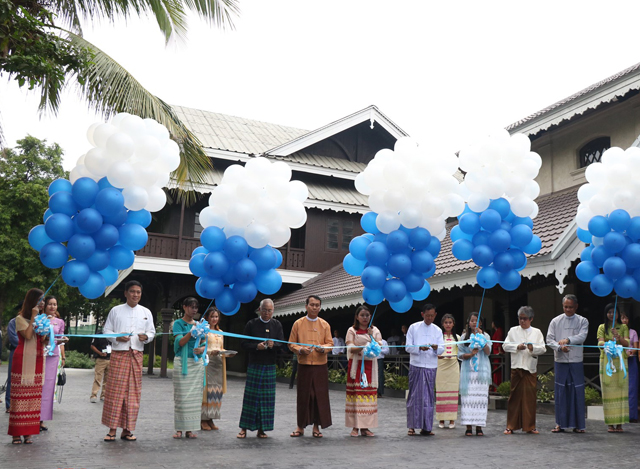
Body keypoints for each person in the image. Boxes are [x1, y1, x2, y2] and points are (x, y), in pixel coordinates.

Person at [101, 280, 155, 442]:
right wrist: (117, 337)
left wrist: (146, 337)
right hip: (120, 354)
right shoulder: (116, 311)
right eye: (132, 291)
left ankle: (127, 429)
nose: (135, 295)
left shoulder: (146, 312)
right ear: (125, 293)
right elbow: (106, 331)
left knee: (133, 394)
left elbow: (151, 332)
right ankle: (111, 430)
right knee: (115, 393)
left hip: (136, 355)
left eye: (138, 292)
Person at [238, 299, 284, 439]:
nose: (266, 313)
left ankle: (262, 429)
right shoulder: (251, 324)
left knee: (266, 400)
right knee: (251, 397)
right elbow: (243, 343)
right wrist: (256, 347)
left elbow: (282, 345)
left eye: (269, 311)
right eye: (264, 310)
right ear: (260, 309)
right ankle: (244, 428)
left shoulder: (277, 324)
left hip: (269, 364)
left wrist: (273, 345)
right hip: (255, 364)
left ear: (273, 311)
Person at [288, 295, 333, 438]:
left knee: (319, 396)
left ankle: (316, 426)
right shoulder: (298, 324)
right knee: (303, 396)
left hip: (320, 365)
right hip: (304, 364)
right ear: (306, 306)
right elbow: (291, 343)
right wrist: (301, 350)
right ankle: (300, 426)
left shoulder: (325, 324)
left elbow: (330, 344)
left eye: (317, 305)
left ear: (320, 307)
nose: (315, 307)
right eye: (312, 305)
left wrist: (322, 349)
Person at [546, 294, 588, 434]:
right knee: (560, 392)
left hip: (576, 360)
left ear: (576, 306)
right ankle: (560, 424)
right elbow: (549, 339)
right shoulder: (555, 321)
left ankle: (579, 425)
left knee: (577, 392)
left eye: (571, 307)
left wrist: (568, 340)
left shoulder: (582, 320)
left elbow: (582, 336)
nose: (568, 309)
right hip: (561, 360)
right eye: (566, 307)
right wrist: (559, 347)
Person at [8, 288, 46, 445]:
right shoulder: (20, 319)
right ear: (32, 302)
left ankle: (28, 432)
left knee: (33, 398)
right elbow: (28, 335)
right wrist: (33, 318)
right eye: (40, 300)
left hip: (37, 359)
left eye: (43, 300)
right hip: (22, 360)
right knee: (19, 398)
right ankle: (17, 433)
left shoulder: (41, 318)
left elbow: (40, 339)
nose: (42, 303)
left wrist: (50, 336)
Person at [503, 306, 546, 435]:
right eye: (520, 318)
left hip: (530, 368)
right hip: (516, 367)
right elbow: (505, 345)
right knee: (514, 397)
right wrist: (517, 346)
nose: (522, 321)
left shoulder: (537, 332)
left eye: (525, 319)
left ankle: (530, 426)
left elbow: (543, 348)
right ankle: (511, 426)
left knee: (530, 398)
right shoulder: (513, 331)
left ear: (531, 319)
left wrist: (532, 348)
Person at [405, 303, 444, 436]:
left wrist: (435, 348)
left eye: (432, 316)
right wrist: (419, 348)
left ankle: (426, 427)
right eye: (427, 316)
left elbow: (442, 348)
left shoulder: (438, 330)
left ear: (435, 315)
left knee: (428, 397)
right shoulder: (413, 327)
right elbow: (408, 347)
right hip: (417, 364)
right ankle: (412, 426)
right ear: (422, 315)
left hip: (431, 366)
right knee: (414, 396)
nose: (429, 318)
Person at [345, 305, 382, 437]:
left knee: (368, 397)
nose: (365, 318)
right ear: (357, 317)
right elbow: (350, 347)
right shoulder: (352, 330)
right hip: (356, 366)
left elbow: (379, 346)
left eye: (367, 315)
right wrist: (362, 347)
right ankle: (355, 427)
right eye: (362, 315)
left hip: (370, 367)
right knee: (356, 396)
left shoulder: (375, 330)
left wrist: (371, 337)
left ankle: (365, 427)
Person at [172, 297, 205, 439]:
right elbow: (179, 342)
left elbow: (204, 342)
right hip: (182, 362)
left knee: (194, 398)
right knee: (181, 396)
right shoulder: (178, 323)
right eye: (191, 307)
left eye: (196, 307)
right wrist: (191, 332)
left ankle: (190, 429)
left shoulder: (199, 324)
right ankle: (179, 428)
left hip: (196, 363)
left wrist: (202, 349)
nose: (194, 310)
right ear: (184, 307)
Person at [458, 312, 492, 437]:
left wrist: (483, 341)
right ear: (468, 322)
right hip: (468, 371)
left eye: (476, 321)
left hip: (481, 371)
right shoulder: (464, 337)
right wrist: (470, 354)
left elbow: (488, 352)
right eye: (472, 320)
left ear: (481, 323)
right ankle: (468, 427)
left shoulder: (486, 335)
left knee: (480, 399)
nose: (474, 323)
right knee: (468, 399)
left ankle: (479, 427)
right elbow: (460, 354)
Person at [597, 303, 629, 432]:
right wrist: (610, 343)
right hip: (607, 362)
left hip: (620, 363)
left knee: (621, 391)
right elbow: (600, 343)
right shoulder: (602, 327)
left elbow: (627, 344)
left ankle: (620, 424)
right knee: (608, 391)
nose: (611, 315)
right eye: (609, 312)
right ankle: (610, 424)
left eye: (614, 312)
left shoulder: (624, 327)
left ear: (618, 314)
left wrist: (618, 337)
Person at [40, 296, 67, 431]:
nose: (52, 307)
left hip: (53, 356)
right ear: (44, 306)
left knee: (49, 388)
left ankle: (42, 419)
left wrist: (63, 344)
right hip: (40, 354)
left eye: (55, 304)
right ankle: (33, 416)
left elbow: (60, 339)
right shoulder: (39, 320)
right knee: (39, 385)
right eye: (50, 304)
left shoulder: (60, 322)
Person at [201, 307, 227, 431]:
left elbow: (221, 347)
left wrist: (226, 353)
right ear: (207, 318)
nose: (214, 319)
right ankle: (203, 419)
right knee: (207, 391)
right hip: (208, 362)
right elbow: (201, 347)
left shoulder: (221, 332)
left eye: (216, 317)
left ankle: (211, 418)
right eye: (212, 316)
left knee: (216, 391)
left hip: (219, 363)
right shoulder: (204, 331)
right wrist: (212, 352)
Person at [436, 313, 459, 429]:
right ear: (442, 324)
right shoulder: (438, 337)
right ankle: (441, 419)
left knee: (452, 392)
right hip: (441, 366)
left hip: (453, 367)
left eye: (450, 322)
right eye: (446, 322)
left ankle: (451, 420)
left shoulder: (458, 338)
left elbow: (461, 353)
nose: (448, 324)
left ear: (453, 324)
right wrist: (438, 356)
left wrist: (455, 356)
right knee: (441, 391)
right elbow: (433, 351)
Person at [621, 312, 638, 423]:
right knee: (621, 387)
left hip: (631, 360)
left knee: (632, 388)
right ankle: (621, 415)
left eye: (626, 318)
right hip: (620, 360)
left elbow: (636, 348)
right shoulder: (617, 332)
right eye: (622, 318)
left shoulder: (633, 332)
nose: (624, 320)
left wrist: (631, 351)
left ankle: (632, 415)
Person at [90, 329, 111, 403]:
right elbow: (92, 346)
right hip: (101, 359)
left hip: (111, 359)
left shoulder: (114, 334)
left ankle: (104, 395)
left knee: (108, 379)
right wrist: (100, 353)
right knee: (98, 378)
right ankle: (94, 395)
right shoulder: (99, 334)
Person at [4, 316, 18, 413]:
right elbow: (14, 340)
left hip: (30, 352)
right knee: (12, 378)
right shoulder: (13, 322)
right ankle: (9, 404)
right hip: (16, 351)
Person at [490, 313, 505, 390]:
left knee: (497, 370)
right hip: (494, 351)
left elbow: (498, 341)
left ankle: (497, 388)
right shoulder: (496, 331)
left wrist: (499, 351)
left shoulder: (499, 330)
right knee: (495, 370)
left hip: (497, 351)